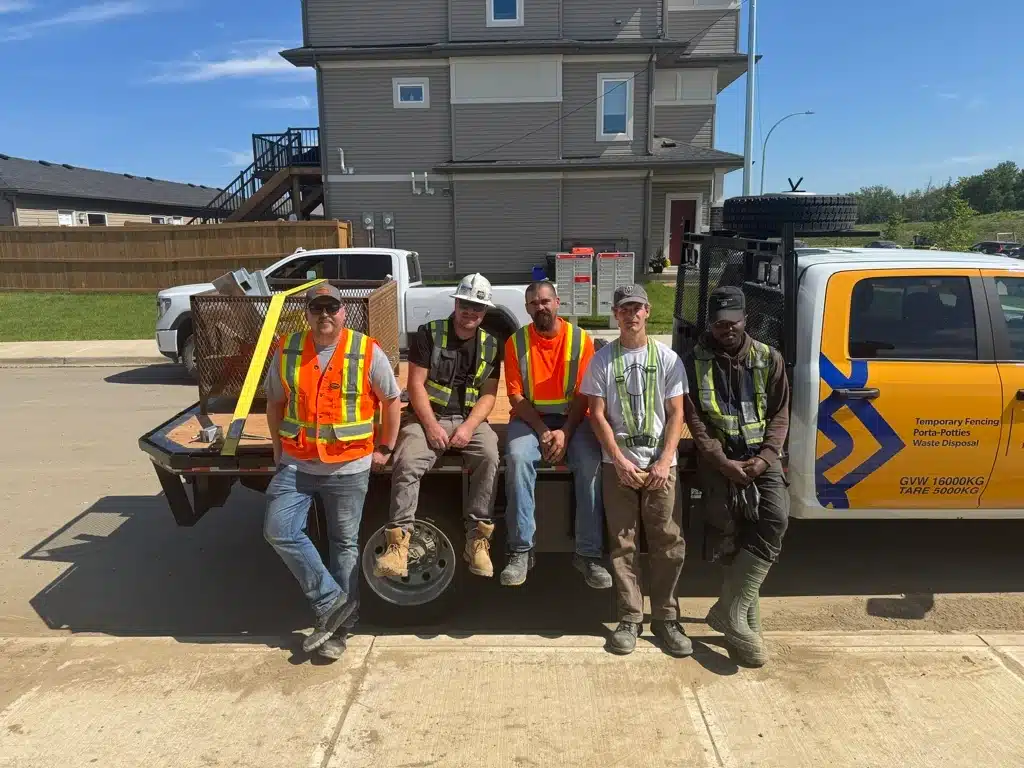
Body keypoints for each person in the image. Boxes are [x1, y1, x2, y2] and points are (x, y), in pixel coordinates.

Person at [263, 283, 401, 660]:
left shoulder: (365, 350)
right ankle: (331, 602)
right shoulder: (288, 349)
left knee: (344, 545)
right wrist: (278, 452)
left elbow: (391, 400)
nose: (325, 315)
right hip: (298, 463)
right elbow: (274, 403)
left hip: (349, 466)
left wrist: (385, 447)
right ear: (306, 313)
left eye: (332, 307)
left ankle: (340, 633)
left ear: (344, 312)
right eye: (316, 308)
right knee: (279, 530)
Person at [581, 284, 691, 658]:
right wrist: (618, 458)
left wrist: (664, 460)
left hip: (661, 466)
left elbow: (677, 413)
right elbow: (596, 414)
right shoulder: (601, 361)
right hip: (620, 466)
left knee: (667, 542)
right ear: (616, 315)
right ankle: (629, 617)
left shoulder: (668, 359)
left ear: (647, 312)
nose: (631, 316)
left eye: (637, 308)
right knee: (623, 543)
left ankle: (666, 618)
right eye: (624, 309)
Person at [683, 285, 790, 668]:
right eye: (718, 323)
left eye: (732, 322)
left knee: (774, 518)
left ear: (745, 320)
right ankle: (746, 626)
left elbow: (779, 414)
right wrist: (721, 462)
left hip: (761, 456)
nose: (725, 329)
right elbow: (694, 420)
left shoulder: (767, 357)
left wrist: (765, 458)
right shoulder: (694, 361)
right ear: (710, 324)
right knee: (728, 530)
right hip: (719, 459)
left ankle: (730, 612)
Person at [374, 273, 502, 580]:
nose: (471, 312)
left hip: (469, 420)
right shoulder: (429, 334)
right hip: (426, 417)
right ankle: (398, 547)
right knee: (407, 462)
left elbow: (489, 395)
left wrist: (469, 427)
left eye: (478, 307)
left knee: (490, 457)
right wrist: (431, 427)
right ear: (456, 303)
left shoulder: (491, 344)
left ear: (485, 312)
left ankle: (477, 540)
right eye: (466, 304)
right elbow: (415, 386)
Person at [501, 280, 611, 589]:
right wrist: (543, 431)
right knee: (519, 458)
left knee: (590, 463)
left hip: (572, 421)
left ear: (557, 302)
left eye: (545, 301)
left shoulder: (580, 340)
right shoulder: (515, 342)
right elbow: (516, 397)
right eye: (534, 303)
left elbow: (584, 395)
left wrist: (564, 432)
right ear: (527, 308)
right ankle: (521, 550)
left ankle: (588, 555)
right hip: (531, 420)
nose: (541, 307)